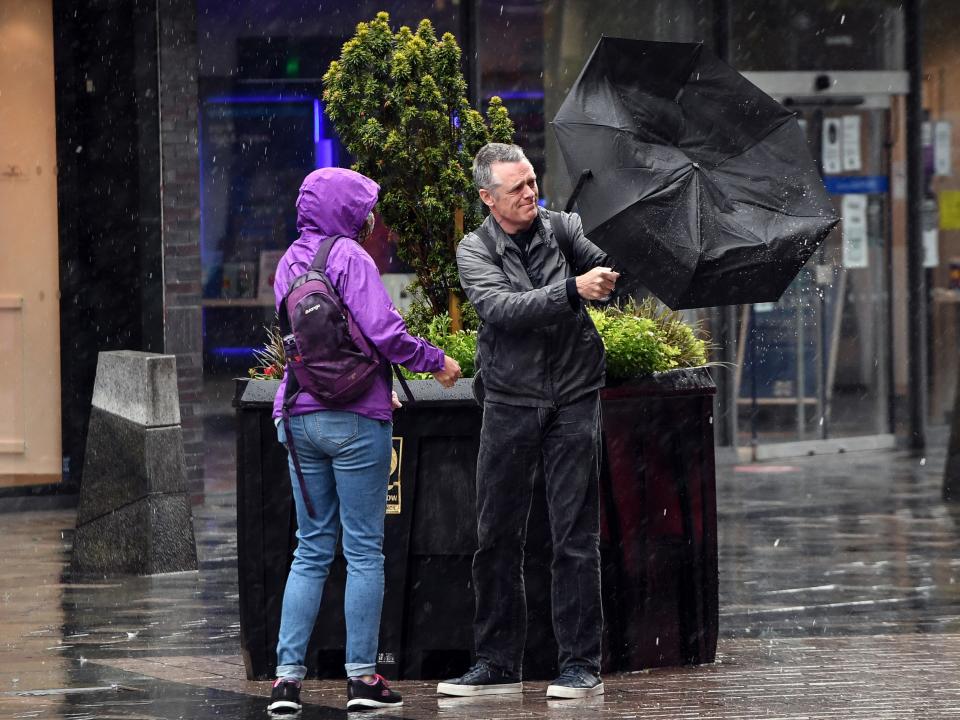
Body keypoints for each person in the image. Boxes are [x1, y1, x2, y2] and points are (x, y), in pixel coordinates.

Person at [267, 167, 462, 714]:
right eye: (366, 206)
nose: (372, 216)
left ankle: (286, 682)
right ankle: (361, 680)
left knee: (309, 550)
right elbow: (382, 332)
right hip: (356, 421)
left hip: (299, 415)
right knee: (363, 551)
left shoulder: (288, 263)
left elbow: (303, 346)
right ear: (351, 211)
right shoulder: (352, 258)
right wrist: (436, 362)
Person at [437, 143, 619, 700]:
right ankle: (495, 663)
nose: (530, 193)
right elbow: (501, 310)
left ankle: (581, 665)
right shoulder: (475, 249)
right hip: (510, 400)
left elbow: (606, 276)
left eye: (532, 181)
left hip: (574, 395)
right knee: (496, 537)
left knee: (575, 537)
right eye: (516, 188)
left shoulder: (562, 228)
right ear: (489, 199)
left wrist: (610, 274)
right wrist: (571, 290)